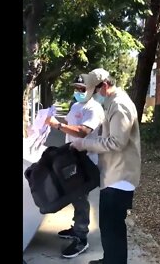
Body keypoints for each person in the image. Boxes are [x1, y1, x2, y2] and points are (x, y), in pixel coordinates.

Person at [70, 68, 141, 264]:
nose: (93, 95)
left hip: (120, 176)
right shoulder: (112, 103)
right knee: (108, 226)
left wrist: (84, 144)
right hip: (112, 173)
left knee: (113, 227)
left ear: (105, 85)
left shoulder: (119, 105)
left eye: (95, 90)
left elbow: (117, 142)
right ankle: (109, 259)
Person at [45, 74, 105, 258]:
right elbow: (71, 127)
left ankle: (81, 237)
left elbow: (82, 132)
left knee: (80, 197)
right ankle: (76, 227)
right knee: (72, 194)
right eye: (76, 88)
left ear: (93, 89)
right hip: (72, 156)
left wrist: (57, 125)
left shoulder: (94, 109)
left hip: (85, 160)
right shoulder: (76, 106)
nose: (78, 91)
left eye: (82, 89)